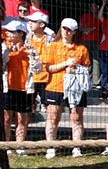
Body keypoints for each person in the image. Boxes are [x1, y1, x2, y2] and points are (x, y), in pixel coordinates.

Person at [42, 18, 91, 159]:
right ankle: (51, 148)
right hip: (55, 86)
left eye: (70, 30)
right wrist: (65, 64)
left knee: (77, 118)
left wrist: (76, 69)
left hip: (76, 88)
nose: (66, 31)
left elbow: (87, 69)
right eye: (64, 28)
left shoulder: (82, 49)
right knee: (52, 117)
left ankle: (77, 148)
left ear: (75, 32)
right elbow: (48, 68)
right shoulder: (52, 46)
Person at [2, 20, 41, 155]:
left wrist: (32, 55)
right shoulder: (5, 47)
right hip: (8, 88)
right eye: (8, 31)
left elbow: (38, 69)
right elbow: (3, 63)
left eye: (12, 32)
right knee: (6, 118)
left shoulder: (29, 49)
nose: (8, 34)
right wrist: (7, 50)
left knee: (22, 119)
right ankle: (6, 146)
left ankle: (20, 146)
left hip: (25, 89)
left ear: (21, 34)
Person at [25, 11, 52, 111]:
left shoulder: (49, 40)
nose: (30, 23)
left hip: (45, 78)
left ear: (41, 24)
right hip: (30, 77)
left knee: (48, 107)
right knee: (28, 107)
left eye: (33, 21)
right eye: (29, 21)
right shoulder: (27, 38)